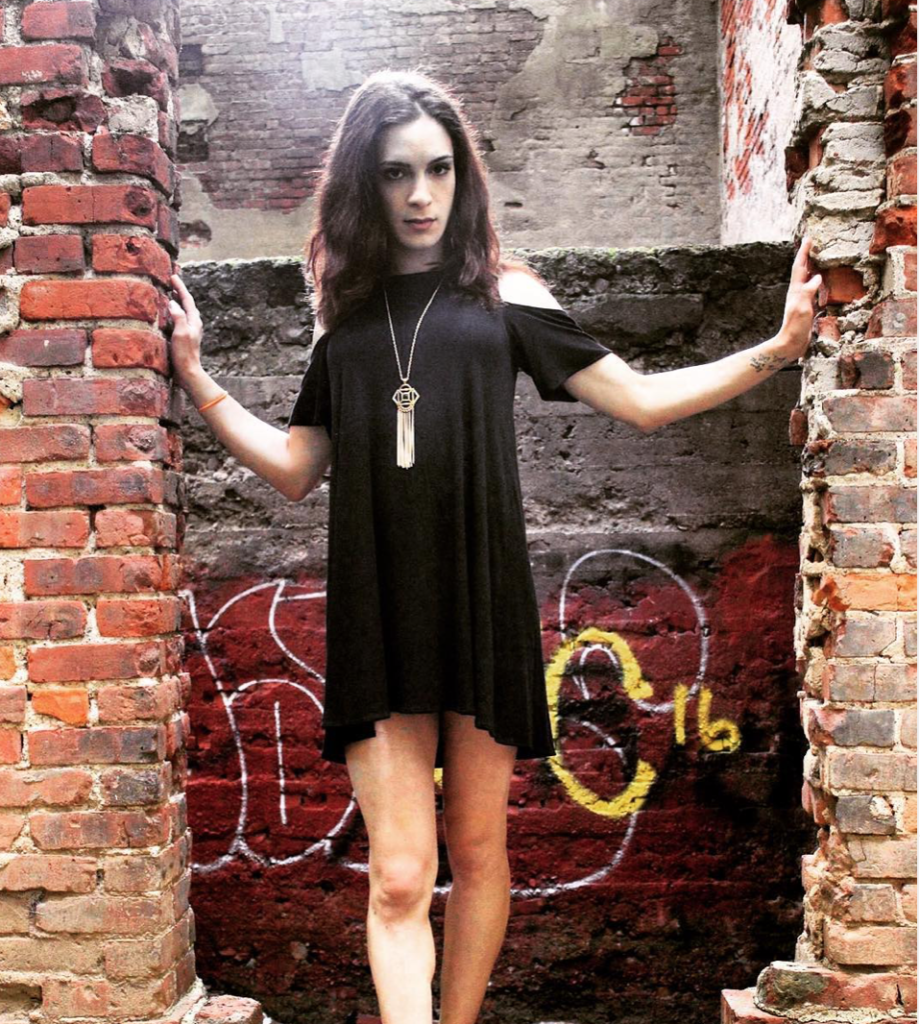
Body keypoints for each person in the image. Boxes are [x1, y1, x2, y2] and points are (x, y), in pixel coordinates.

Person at [167, 68, 821, 1024]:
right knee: (397, 877)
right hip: (380, 611)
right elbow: (298, 468)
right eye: (397, 175)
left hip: (479, 601)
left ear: (462, 177)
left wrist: (779, 346)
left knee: (477, 858)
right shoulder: (342, 325)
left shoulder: (507, 295)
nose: (421, 195)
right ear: (365, 184)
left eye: (438, 170)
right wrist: (197, 377)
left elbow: (637, 401)